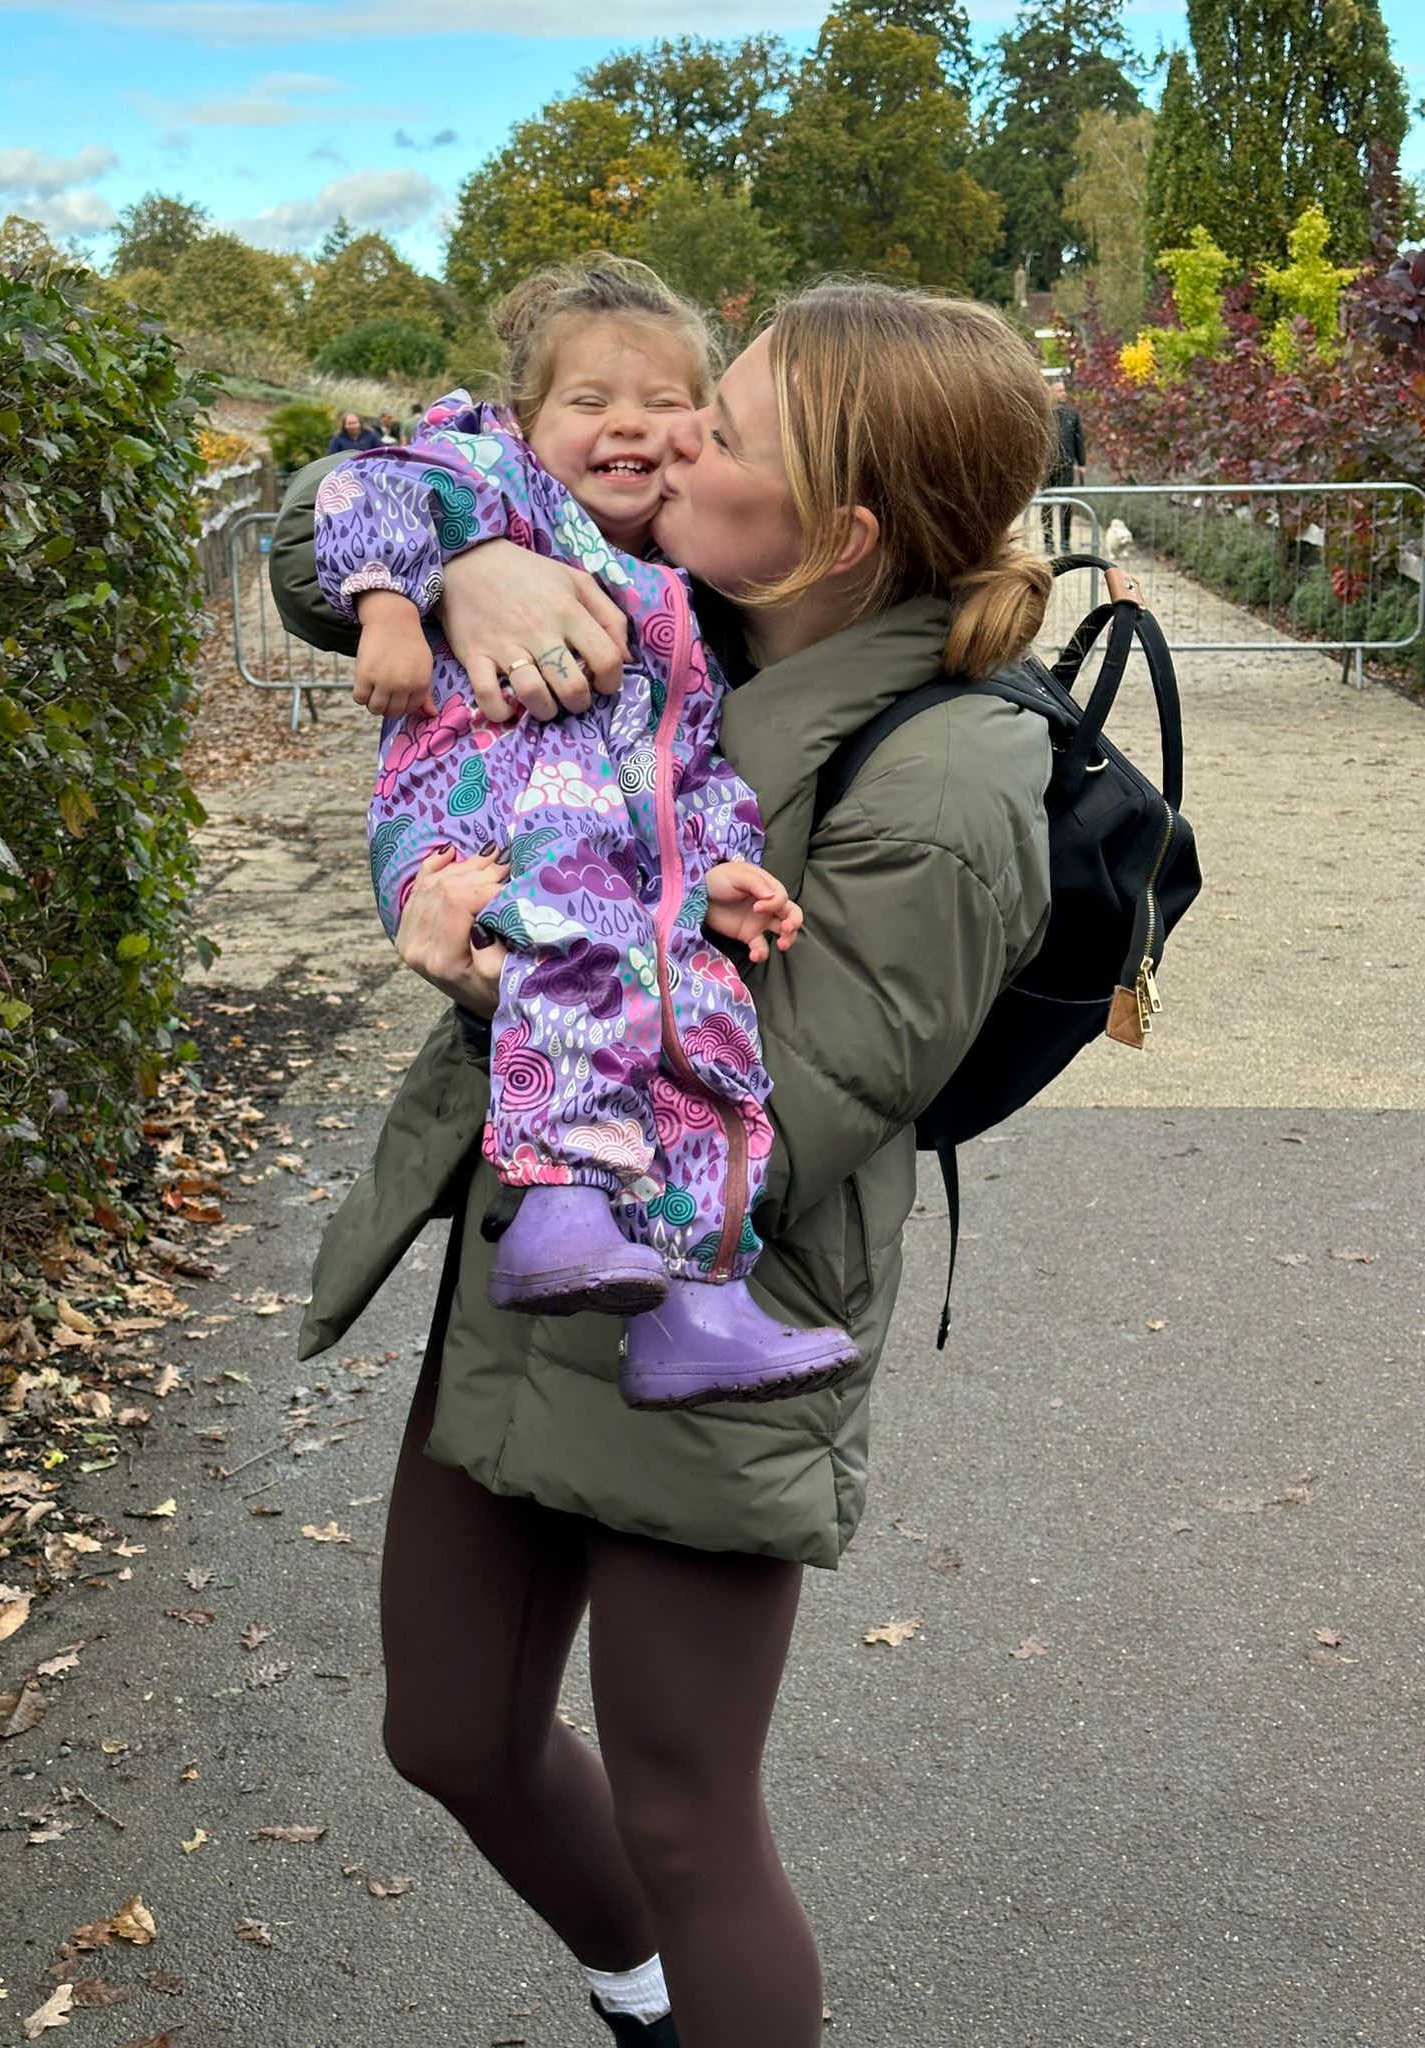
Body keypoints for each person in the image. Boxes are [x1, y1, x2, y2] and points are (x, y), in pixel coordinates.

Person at [284, 280, 1055, 2047]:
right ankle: (644, 2000)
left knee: (689, 1817)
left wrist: (517, 961)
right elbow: (334, 525)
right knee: (452, 1732)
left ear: (838, 531)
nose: (670, 443)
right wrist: (472, 564)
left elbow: (809, 1095)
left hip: (716, 1306)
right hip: (526, 1269)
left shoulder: (950, 770)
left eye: (724, 429)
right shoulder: (674, 595)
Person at [312, 258, 857, 1410]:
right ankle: (560, 1197)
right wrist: (395, 607)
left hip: (622, 856)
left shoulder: (676, 587)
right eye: (591, 400)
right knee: (583, 938)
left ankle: (698, 1296)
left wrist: (716, 862)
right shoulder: (496, 484)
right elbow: (367, 485)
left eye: (668, 403)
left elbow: (683, 753)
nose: (632, 425)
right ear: (524, 417)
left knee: (704, 1017)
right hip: (479, 819)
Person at [1040, 376, 1087, 554]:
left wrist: (1082, 463)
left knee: (1066, 504)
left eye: (1064, 390)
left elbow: (1079, 440)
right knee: (1046, 505)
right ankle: (1048, 542)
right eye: (1059, 390)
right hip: (1046, 466)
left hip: (1066, 464)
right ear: (1051, 392)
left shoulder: (1072, 414)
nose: (1063, 393)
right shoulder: (1043, 414)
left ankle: (1065, 542)